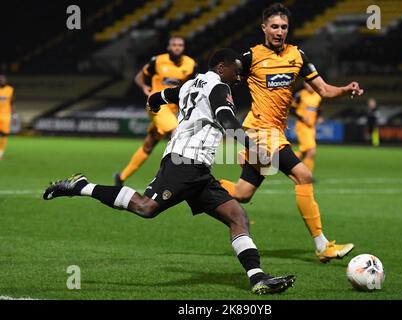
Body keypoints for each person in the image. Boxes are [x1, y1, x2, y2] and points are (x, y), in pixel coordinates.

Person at [43, 49, 295, 295]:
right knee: (146, 207)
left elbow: (163, 95)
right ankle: (80, 186)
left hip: (198, 169)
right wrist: (257, 150)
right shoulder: (220, 87)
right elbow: (228, 122)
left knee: (236, 216)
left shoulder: (189, 85)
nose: (239, 78)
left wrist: (153, 103)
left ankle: (257, 278)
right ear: (221, 68)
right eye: (236, 72)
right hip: (184, 163)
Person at [219, 3, 364, 263]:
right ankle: (322, 245)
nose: (279, 31)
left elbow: (324, 90)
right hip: (260, 131)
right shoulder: (251, 57)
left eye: (284, 27)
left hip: (275, 132)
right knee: (303, 175)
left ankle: (199, 187)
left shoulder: (297, 56)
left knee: (242, 193)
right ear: (264, 27)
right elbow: (223, 78)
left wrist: (345, 89)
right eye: (274, 26)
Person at [115, 36, 197, 186]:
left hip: (173, 110)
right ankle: (176, 177)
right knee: (177, 131)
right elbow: (139, 76)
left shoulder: (190, 64)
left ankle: (121, 177)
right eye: (174, 45)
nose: (177, 47)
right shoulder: (158, 61)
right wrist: (143, 86)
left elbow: (193, 85)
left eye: (180, 45)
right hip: (156, 104)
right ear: (168, 47)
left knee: (149, 144)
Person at [291, 82, 323, 173]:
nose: (311, 86)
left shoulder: (318, 96)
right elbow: (292, 110)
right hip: (302, 126)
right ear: (305, 84)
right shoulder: (300, 95)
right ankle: (307, 175)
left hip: (311, 127)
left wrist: (319, 117)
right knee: (311, 151)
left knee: (304, 153)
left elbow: (319, 109)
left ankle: (284, 161)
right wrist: (301, 117)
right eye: (309, 84)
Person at [0, 74, 14, 160]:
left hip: (6, 115)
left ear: (6, 80)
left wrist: (12, 110)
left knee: (4, 135)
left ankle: (0, 153)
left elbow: (12, 101)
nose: (1, 80)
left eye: (2, 79)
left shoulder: (10, 89)